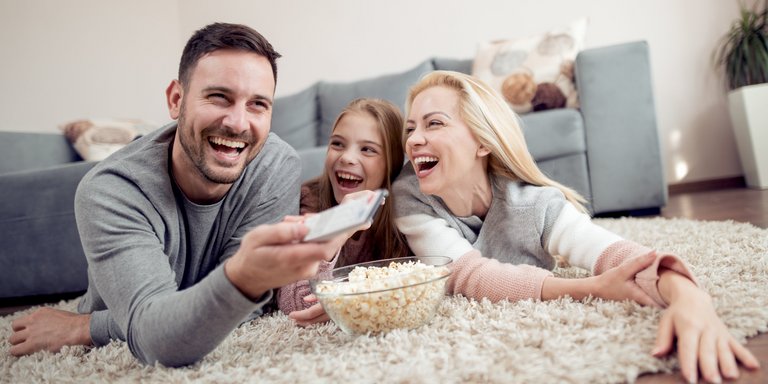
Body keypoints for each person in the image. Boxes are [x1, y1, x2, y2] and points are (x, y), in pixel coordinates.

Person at [8, 23, 352, 367]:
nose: (238, 122)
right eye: (219, 97)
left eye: (258, 104)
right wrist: (246, 277)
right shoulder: (110, 190)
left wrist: (90, 326)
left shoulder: (276, 165)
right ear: (176, 99)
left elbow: (244, 310)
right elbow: (160, 343)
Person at [392, 70, 760, 384]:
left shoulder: (534, 204)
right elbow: (467, 276)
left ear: (484, 142)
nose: (413, 140)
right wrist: (591, 288)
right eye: (411, 128)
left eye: (434, 123)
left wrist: (689, 297)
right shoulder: (408, 197)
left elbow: (614, 253)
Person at [277, 98, 410, 327]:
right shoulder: (308, 201)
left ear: (392, 163)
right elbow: (297, 306)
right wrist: (340, 224)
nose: (346, 158)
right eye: (337, 144)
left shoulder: (403, 210)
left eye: (367, 149)